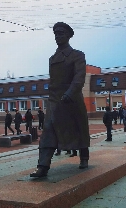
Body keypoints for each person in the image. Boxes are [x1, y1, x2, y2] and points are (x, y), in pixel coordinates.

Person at [30, 22, 90, 178]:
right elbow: (54, 81)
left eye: (61, 33)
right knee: (48, 129)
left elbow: (79, 78)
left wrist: (69, 93)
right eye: (56, 34)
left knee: (79, 129)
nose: (58, 36)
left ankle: (84, 156)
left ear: (69, 35)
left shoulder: (78, 55)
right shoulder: (52, 58)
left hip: (72, 98)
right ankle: (43, 166)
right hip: (55, 99)